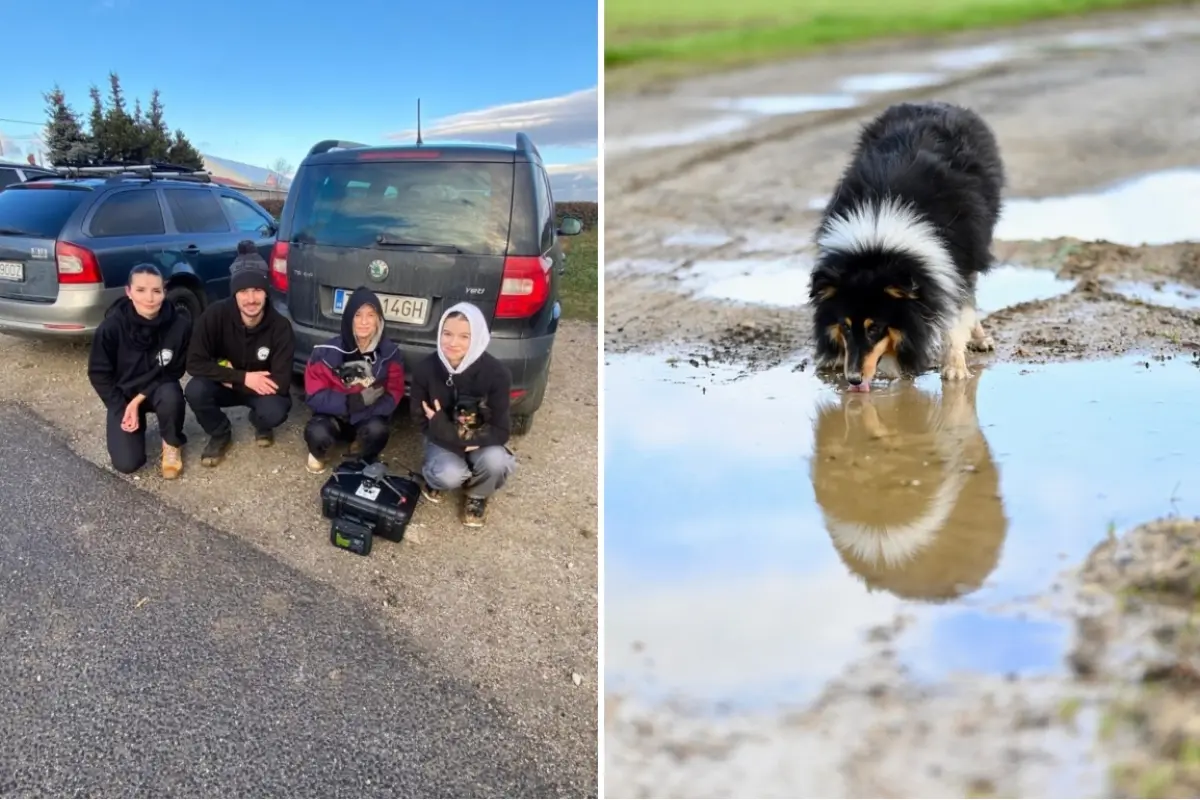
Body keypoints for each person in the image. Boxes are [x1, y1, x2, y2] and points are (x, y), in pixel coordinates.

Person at [184, 241, 295, 467]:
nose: (251, 299)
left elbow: (282, 383)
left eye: (257, 290)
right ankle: (220, 433)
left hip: (258, 390)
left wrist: (231, 378)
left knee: (276, 410)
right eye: (243, 291)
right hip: (236, 383)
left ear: (266, 292)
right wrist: (242, 378)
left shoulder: (281, 326)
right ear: (234, 292)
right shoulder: (214, 315)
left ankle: (259, 421)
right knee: (195, 390)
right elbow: (194, 363)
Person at [409, 301, 517, 527]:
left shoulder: (497, 374)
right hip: (443, 441)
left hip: (476, 440)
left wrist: (444, 426)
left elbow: (501, 430)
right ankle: (436, 480)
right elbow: (421, 420)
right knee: (449, 474)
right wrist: (454, 437)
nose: (452, 343)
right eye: (447, 333)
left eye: (464, 336)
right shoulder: (426, 369)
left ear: (477, 337)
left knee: (497, 461)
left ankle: (477, 495)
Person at [86, 264, 193, 478]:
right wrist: (123, 406)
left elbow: (175, 370)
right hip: (123, 394)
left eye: (156, 291)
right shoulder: (111, 327)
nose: (150, 298)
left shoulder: (179, 325)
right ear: (129, 292)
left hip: (158, 388)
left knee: (171, 394)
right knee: (127, 464)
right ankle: (136, 426)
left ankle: (171, 442)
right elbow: (98, 373)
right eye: (141, 290)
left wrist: (138, 400)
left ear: (164, 290)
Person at [302, 286, 404, 473]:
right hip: (334, 416)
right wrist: (351, 403)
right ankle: (320, 453)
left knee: (378, 431)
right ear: (348, 318)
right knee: (317, 433)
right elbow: (313, 394)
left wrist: (367, 408)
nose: (364, 322)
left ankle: (360, 449)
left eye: (371, 315)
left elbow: (394, 393)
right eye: (357, 315)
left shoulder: (390, 354)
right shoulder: (325, 352)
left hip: (367, 416)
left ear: (379, 319)